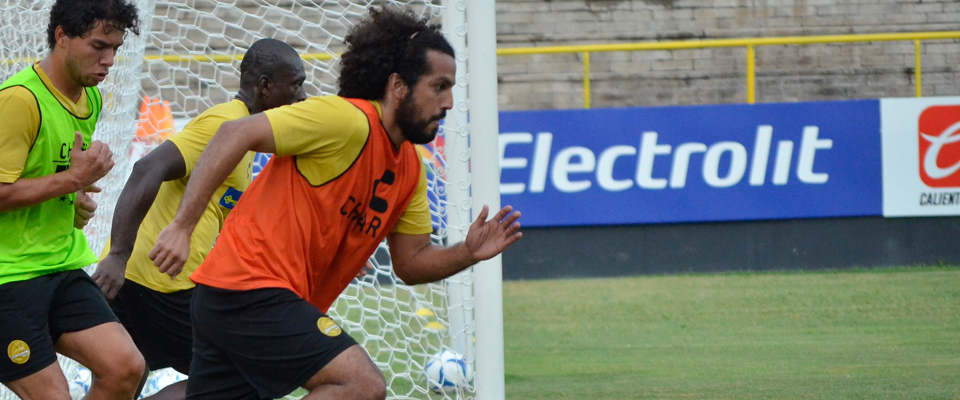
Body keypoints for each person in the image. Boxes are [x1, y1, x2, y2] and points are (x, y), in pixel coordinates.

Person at [149, 6, 522, 400]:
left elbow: (410, 263)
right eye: (439, 86)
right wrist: (182, 227)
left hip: (234, 300)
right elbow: (231, 134)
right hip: (249, 289)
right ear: (398, 86)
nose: (448, 103)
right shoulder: (346, 120)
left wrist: (466, 252)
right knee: (361, 384)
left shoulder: (411, 168)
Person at [90, 38, 308, 400]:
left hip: (150, 279)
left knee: (127, 377)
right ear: (267, 87)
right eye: (296, 84)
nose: (302, 97)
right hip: (162, 284)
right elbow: (147, 168)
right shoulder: (224, 123)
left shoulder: (244, 136)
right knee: (241, 378)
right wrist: (117, 255)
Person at [0, 0, 146, 399]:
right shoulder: (18, 101)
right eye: (99, 46)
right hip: (7, 278)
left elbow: (59, 174)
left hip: (59, 265)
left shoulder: (90, 99)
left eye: (115, 49)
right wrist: (72, 180)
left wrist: (78, 196)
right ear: (61, 36)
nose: (109, 60)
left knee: (125, 368)